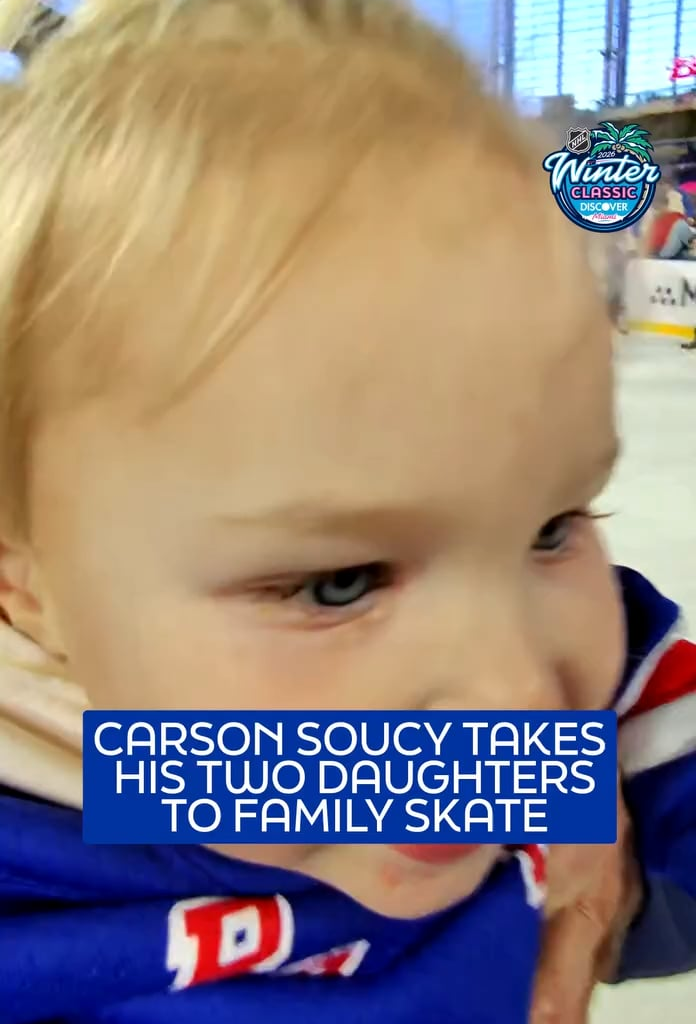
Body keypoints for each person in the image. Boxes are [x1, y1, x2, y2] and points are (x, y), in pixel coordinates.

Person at [0, 2, 694, 1022]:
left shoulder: (605, 693)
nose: (513, 699)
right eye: (340, 584)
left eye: (552, 526)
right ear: (32, 593)